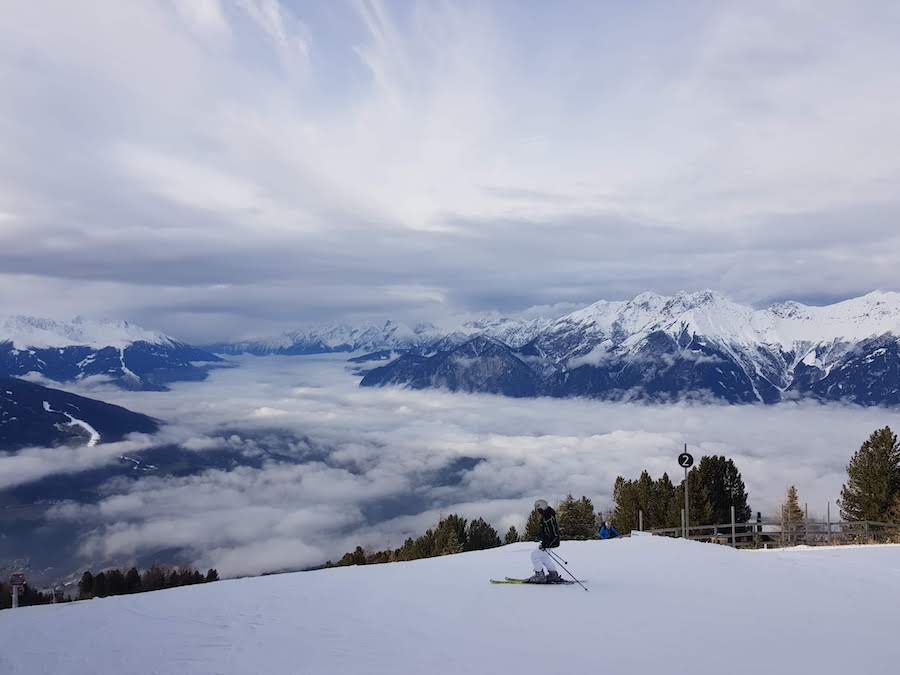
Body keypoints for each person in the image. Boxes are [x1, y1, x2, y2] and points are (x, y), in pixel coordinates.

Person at [527, 499, 561, 583]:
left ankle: (540, 576)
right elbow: (545, 530)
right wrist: (539, 537)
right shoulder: (546, 516)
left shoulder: (548, 518)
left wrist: (546, 544)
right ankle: (553, 575)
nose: (538, 511)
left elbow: (554, 533)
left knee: (534, 555)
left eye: (538, 509)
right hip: (549, 542)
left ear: (542, 507)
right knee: (544, 557)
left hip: (551, 542)